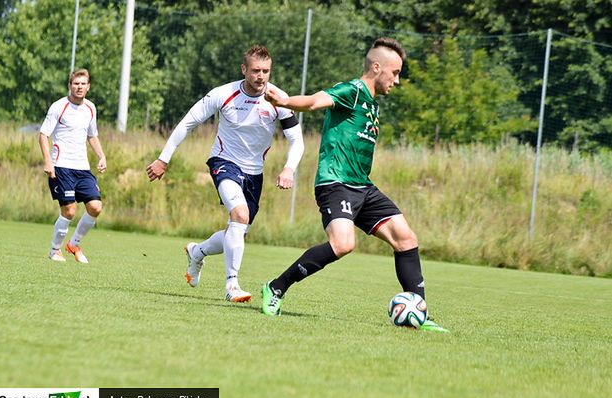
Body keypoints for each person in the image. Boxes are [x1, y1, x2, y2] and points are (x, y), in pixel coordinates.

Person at [262, 37, 447, 331]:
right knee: (343, 244)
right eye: (395, 72)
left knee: (406, 238)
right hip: (335, 183)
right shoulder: (353, 91)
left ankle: (418, 313)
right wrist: (285, 102)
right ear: (377, 67)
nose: (397, 81)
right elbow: (314, 101)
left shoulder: (373, 104)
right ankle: (275, 287)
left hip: (362, 186)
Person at [146, 45, 304, 303]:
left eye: (265, 71)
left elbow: (296, 139)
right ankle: (232, 285)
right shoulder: (224, 94)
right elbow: (188, 121)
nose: (260, 76)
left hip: (255, 173)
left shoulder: (279, 99)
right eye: (255, 71)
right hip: (224, 162)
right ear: (244, 69)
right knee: (239, 215)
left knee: (238, 230)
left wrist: (289, 168)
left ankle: (197, 252)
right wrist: (164, 159)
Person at [39, 68, 106, 264]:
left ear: (88, 87)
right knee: (69, 211)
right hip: (61, 166)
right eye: (76, 83)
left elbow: (92, 135)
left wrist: (101, 156)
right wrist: (47, 161)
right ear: (70, 85)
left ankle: (74, 244)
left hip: (82, 168)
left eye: (83, 84)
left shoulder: (91, 108)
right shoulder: (59, 106)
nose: (79, 87)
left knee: (95, 207)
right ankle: (54, 250)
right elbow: (43, 134)